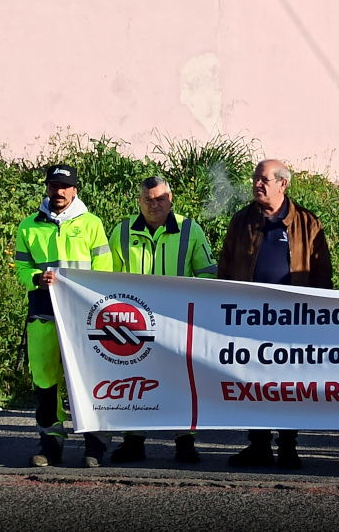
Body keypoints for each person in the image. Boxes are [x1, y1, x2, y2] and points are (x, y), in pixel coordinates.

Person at [217, 159, 333, 470]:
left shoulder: (308, 224)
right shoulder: (241, 222)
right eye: (255, 178)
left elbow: (322, 275)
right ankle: (258, 445)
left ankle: (288, 446)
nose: (257, 184)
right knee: (254, 383)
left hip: (294, 321)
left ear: (283, 184)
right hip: (250, 320)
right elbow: (226, 269)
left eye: (264, 179)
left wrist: (321, 316)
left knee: (288, 385)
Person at [107, 175, 218, 465]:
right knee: (133, 381)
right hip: (134, 323)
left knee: (183, 381)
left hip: (178, 321)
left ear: (171, 199)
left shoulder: (190, 229)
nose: (154, 204)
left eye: (160, 199)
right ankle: (133, 440)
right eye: (148, 200)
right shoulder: (121, 231)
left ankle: (185, 441)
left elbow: (207, 273)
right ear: (139, 202)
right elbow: (106, 277)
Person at [15, 163, 113, 468]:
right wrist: (35, 278)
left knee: (90, 382)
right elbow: (21, 269)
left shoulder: (92, 224)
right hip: (43, 314)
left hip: (84, 318)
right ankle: (50, 445)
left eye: (64, 187)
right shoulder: (28, 226)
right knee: (45, 382)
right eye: (53, 186)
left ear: (74, 190)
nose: (58, 192)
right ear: (46, 188)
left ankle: (94, 447)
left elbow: (105, 269)